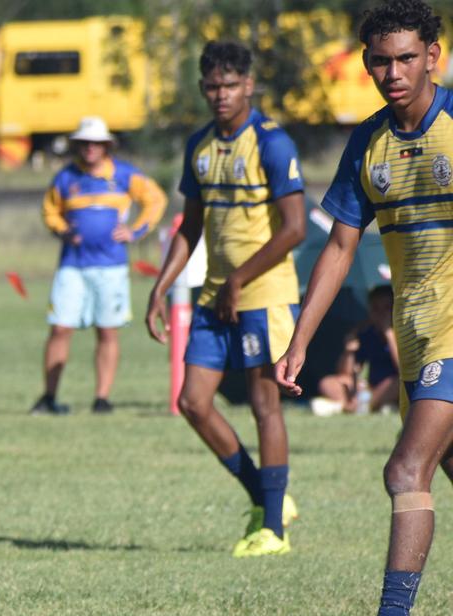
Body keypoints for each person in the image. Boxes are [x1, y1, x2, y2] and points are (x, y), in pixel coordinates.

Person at [277, 0, 451, 616]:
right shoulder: (369, 143)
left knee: (406, 473)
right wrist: (301, 339)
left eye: (406, 57)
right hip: (413, 336)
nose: (392, 71)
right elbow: (341, 247)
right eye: (379, 60)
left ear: (433, 55)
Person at [145, 40, 306, 557]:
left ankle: (273, 532)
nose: (221, 95)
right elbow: (189, 227)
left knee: (264, 404)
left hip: (264, 293)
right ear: (202, 88)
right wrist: (161, 286)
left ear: (248, 86)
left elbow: (296, 228)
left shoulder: (272, 143)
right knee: (192, 402)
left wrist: (240, 279)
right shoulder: (200, 145)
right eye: (212, 86)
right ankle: (267, 497)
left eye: (230, 86)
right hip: (218, 296)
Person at [32, 115, 167, 415]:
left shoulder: (124, 175)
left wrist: (136, 230)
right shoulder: (66, 178)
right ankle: (49, 397)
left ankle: (102, 398)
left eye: (96, 143)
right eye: (84, 143)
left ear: (107, 146)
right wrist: (62, 230)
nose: (90, 148)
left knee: (107, 331)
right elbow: (49, 211)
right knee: (60, 328)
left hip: (111, 266)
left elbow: (156, 200)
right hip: (73, 265)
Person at [310, 284, 399, 416]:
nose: (381, 314)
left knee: (398, 383)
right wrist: (349, 351)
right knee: (327, 382)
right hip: (366, 388)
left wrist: (388, 334)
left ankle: (347, 406)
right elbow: (344, 374)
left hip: (390, 386)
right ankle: (354, 405)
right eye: (375, 308)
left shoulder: (402, 333)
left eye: (386, 308)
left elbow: (403, 368)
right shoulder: (365, 334)